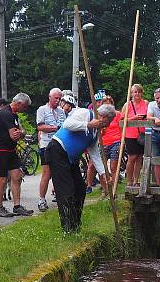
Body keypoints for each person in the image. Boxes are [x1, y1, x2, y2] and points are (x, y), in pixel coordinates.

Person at [43, 96, 113, 232]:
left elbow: (94, 154)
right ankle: (68, 228)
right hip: (57, 150)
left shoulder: (95, 133)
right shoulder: (85, 113)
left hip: (71, 158)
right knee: (66, 191)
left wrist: (104, 173)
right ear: (103, 117)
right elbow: (68, 124)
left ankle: (75, 223)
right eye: (108, 122)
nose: (108, 125)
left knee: (80, 189)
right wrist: (88, 124)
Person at [0, 93, 34, 218]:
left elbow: (21, 131)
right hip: (2, 150)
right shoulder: (6, 114)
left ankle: (17, 206)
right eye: (25, 107)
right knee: (2, 178)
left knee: (17, 176)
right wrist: (21, 133)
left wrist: (21, 133)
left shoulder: (14, 114)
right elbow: (14, 136)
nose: (25, 110)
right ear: (19, 103)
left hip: (11, 150)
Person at [36, 88, 66, 212]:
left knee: (59, 172)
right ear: (50, 97)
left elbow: (64, 127)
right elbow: (40, 127)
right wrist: (55, 128)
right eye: (56, 98)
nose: (58, 101)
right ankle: (41, 199)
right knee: (46, 173)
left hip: (59, 144)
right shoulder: (42, 110)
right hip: (46, 144)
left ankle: (60, 197)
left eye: (60, 99)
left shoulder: (61, 112)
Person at [123, 84, 148, 187]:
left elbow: (150, 115)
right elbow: (121, 120)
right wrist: (134, 118)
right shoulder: (127, 105)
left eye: (139, 91)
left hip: (142, 134)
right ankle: (129, 180)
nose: (137, 94)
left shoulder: (146, 103)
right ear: (131, 93)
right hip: (130, 135)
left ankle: (136, 180)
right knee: (132, 157)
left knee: (139, 158)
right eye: (135, 92)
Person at [100, 95, 124, 184]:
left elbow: (123, 124)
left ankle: (114, 187)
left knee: (113, 166)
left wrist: (122, 140)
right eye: (105, 105)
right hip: (104, 142)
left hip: (115, 141)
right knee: (102, 167)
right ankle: (105, 188)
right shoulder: (99, 115)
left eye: (109, 105)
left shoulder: (117, 114)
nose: (107, 108)